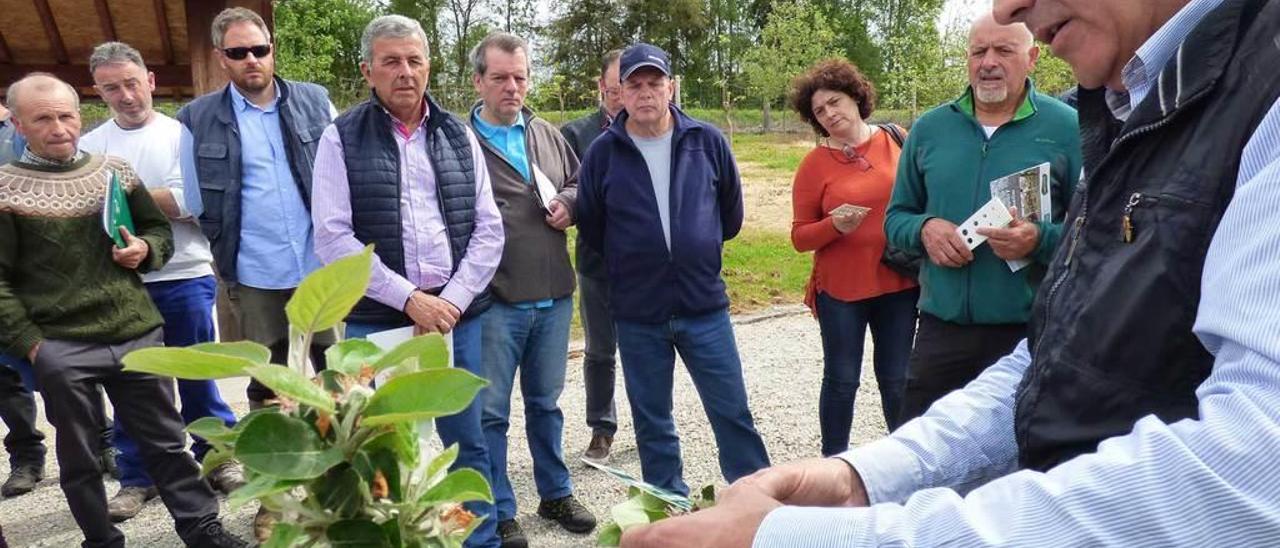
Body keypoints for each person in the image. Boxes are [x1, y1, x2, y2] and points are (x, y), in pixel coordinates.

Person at [619, 0, 1280, 545]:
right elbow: (1062, 350)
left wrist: (809, 537)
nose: (1007, 9)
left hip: (998, 313)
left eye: (1003, 47)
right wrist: (862, 477)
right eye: (977, 50)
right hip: (939, 319)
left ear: (1024, 61)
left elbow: (1255, 468)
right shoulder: (1102, 104)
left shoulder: (1091, 118)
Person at [0, 73, 246, 548]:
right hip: (60, 344)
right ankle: (102, 539)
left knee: (167, 443)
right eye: (43, 119)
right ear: (20, 125)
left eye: (67, 115)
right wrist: (33, 346)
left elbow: (158, 233)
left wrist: (143, 252)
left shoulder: (115, 171)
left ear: (79, 114)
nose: (59, 128)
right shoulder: (6, 190)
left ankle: (203, 530)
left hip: (134, 332)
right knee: (81, 455)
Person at [309, 14, 504, 548]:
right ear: (367, 70)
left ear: (428, 67)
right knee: (390, 444)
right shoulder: (340, 137)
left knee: (467, 440)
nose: (405, 72)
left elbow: (488, 229)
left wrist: (453, 301)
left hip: (455, 318)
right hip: (379, 320)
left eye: (414, 60)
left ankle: (477, 541)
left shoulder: (457, 134)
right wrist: (410, 299)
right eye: (391, 61)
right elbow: (332, 236)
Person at [576, 43, 770, 496]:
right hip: (638, 314)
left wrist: (691, 250)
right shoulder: (603, 154)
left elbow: (731, 215)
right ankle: (668, 506)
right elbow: (593, 225)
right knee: (652, 421)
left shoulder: (707, 141)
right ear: (619, 92)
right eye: (634, 85)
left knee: (732, 412)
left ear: (671, 86)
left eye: (654, 83)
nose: (645, 93)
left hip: (704, 307)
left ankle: (758, 502)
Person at [178, 7, 337, 540]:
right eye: (239, 52)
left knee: (338, 380)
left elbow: (340, 177)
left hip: (322, 268)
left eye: (260, 49)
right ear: (221, 58)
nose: (252, 60)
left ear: (272, 49)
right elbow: (198, 202)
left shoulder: (315, 101)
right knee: (268, 389)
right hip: (255, 273)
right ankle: (274, 499)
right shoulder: (195, 118)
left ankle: (339, 488)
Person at [884, 15, 1081, 422]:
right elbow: (895, 218)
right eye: (978, 51)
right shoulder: (930, 129)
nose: (988, 62)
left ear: (1032, 59)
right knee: (920, 454)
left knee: (1021, 458)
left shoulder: (1066, 128)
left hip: (1028, 332)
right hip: (941, 330)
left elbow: (1098, 230)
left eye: (1004, 51)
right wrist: (925, 229)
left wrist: (1039, 239)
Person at [79, 41, 244, 522]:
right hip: (123, 283)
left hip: (186, 273)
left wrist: (127, 198)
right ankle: (137, 475)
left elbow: (196, 204)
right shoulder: (91, 146)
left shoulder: (183, 134)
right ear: (98, 92)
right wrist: (159, 202)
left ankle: (216, 457)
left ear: (149, 80)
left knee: (196, 373)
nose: (126, 96)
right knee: (132, 384)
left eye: (132, 83)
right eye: (112, 88)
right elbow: (93, 215)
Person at [464, 32, 597, 547]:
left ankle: (556, 492)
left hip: (554, 295)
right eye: (499, 78)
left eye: (519, 77)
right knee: (491, 412)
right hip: (495, 301)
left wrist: (570, 201)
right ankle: (499, 508)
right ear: (478, 81)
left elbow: (579, 181)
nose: (512, 87)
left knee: (546, 403)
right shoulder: (460, 141)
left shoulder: (545, 132)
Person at [788, 59, 920, 451]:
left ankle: (905, 461)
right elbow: (799, 238)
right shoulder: (814, 165)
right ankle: (833, 464)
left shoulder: (897, 138)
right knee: (842, 380)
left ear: (856, 97)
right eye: (819, 111)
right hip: (842, 292)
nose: (830, 113)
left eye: (835, 102)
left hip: (898, 282)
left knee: (898, 378)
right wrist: (833, 226)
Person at [559, 49, 624, 464]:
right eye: (616, 88)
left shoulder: (657, 128)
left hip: (649, 265)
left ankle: (657, 421)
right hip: (598, 260)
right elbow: (563, 188)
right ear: (602, 87)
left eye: (631, 86)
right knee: (601, 349)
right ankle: (602, 428)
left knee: (650, 348)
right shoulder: (576, 134)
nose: (623, 96)